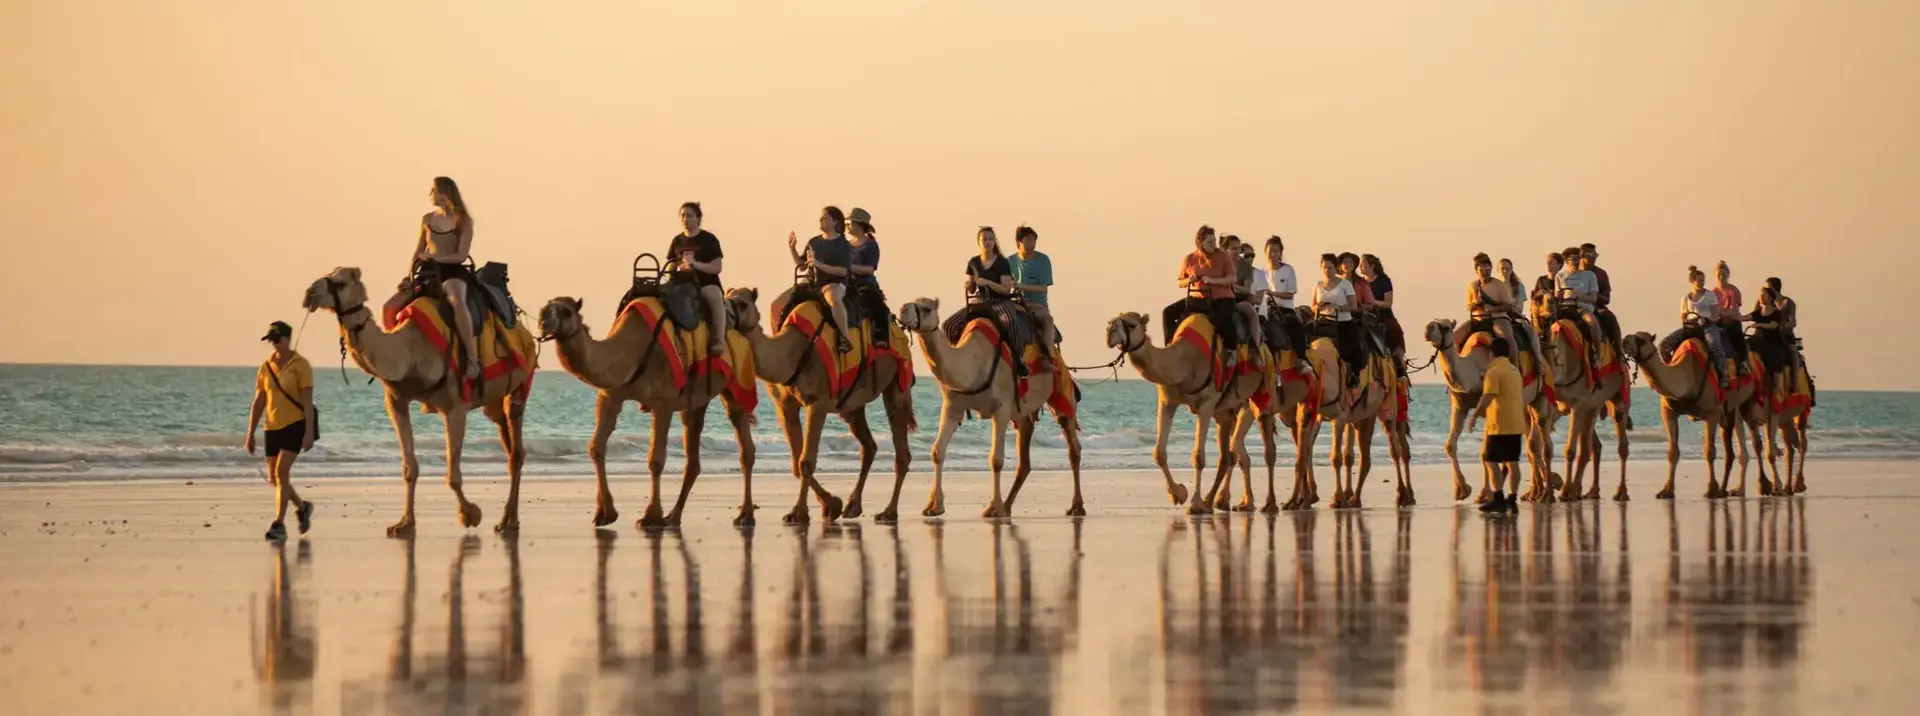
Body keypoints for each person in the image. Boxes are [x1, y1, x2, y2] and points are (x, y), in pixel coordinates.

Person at [246, 321, 317, 542]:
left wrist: (308, 431)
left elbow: (307, 401)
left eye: (277, 340)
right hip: (272, 426)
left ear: (288, 339)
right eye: (271, 341)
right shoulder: (265, 367)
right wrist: (250, 433)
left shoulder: (300, 365)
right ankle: (303, 506)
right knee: (275, 478)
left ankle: (279, 523)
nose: (274, 345)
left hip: (295, 425)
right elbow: (259, 401)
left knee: (281, 472)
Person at [408, 176, 480, 379]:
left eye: (433, 189)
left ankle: (472, 360)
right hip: (427, 271)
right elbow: (418, 251)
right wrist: (409, 275)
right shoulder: (427, 219)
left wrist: (437, 257)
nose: (429, 193)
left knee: (457, 302)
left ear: (443, 193)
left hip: (452, 271)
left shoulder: (463, 220)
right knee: (393, 306)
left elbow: (461, 255)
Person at [966, 226, 1044, 375]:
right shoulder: (973, 262)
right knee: (950, 325)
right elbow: (971, 289)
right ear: (978, 242)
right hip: (980, 302)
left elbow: (1005, 289)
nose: (987, 242)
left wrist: (988, 283)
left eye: (990, 239)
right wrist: (969, 285)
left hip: (1000, 301)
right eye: (984, 239)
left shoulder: (1002, 262)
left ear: (994, 242)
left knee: (1009, 321)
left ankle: (1018, 359)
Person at [1166, 226, 1242, 366]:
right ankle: (1170, 346)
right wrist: (1190, 280)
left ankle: (1231, 353)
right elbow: (1180, 282)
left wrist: (1213, 281)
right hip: (1197, 299)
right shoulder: (1190, 259)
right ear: (1201, 243)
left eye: (1214, 241)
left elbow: (1232, 278)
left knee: (1224, 322)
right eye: (1210, 242)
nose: (1214, 245)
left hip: (1221, 298)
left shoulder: (1223, 257)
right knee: (1169, 313)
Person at [787, 206, 854, 353]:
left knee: (833, 299)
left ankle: (845, 337)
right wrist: (792, 249)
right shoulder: (814, 242)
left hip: (835, 283)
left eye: (825, 218)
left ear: (835, 222)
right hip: (812, 284)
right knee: (780, 302)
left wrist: (819, 265)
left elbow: (842, 271)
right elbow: (802, 266)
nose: (820, 220)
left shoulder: (843, 244)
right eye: (821, 218)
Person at [1470, 338, 1524, 514]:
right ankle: (1512, 498)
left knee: (1489, 460)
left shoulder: (1494, 372)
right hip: (1516, 423)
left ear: (1491, 354)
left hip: (1499, 425)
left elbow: (1488, 397)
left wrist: (1475, 415)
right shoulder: (1514, 370)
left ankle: (1498, 498)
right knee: (1513, 462)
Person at [667, 201, 727, 356]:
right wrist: (671, 271)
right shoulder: (677, 241)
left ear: (698, 218)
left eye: (689, 215)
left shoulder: (708, 239)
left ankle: (718, 340)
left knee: (715, 297)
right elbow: (671, 265)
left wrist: (695, 265)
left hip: (705, 283)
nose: (685, 219)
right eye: (682, 216)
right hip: (683, 283)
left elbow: (717, 267)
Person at [1310, 252, 1363, 388]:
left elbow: (1353, 305)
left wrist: (1339, 308)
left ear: (1336, 268)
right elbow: (1312, 307)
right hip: (1323, 320)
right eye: (1324, 267)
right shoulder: (1317, 285)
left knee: (1352, 347)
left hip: (1342, 321)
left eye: (1330, 267)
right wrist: (1318, 306)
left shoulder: (1345, 284)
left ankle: (1353, 375)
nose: (1327, 270)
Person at [1257, 236, 1308, 366]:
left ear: (1280, 252)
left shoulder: (1288, 270)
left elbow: (1290, 294)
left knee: (1295, 326)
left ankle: (1301, 358)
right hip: (1265, 309)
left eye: (1275, 251)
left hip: (1284, 309)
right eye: (1270, 251)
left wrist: (1272, 293)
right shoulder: (1261, 272)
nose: (1272, 254)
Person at [1455, 253, 1519, 356]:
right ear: (1477, 271)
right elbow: (1468, 305)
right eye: (1482, 270)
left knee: (1508, 339)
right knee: (1454, 338)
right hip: (1476, 320)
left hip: (1496, 319)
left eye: (1488, 270)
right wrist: (1474, 305)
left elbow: (1508, 305)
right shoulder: (1473, 286)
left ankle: (1514, 367)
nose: (1485, 273)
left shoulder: (1498, 284)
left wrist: (1493, 308)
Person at [845, 207, 891, 347]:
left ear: (859, 225)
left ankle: (881, 337)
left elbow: (869, 269)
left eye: (850, 223)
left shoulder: (871, 246)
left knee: (878, 305)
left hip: (864, 283)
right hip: (846, 282)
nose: (847, 226)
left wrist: (849, 268)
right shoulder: (846, 245)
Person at [1682, 265, 1735, 388]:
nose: (1702, 283)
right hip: (1691, 327)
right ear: (1693, 281)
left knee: (1715, 345)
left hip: (1708, 326)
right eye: (1699, 280)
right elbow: (1682, 316)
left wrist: (1705, 319)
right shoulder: (1685, 299)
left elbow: (1715, 316)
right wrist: (1688, 319)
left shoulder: (1710, 295)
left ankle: (1723, 375)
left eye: (1703, 280)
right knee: (1666, 344)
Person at [1555, 247, 1605, 367]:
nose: (1576, 262)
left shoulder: (1589, 275)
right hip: (1564, 308)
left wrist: (1581, 296)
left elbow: (1593, 298)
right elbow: (1556, 296)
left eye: (1578, 259)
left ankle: (1597, 356)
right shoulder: (1560, 276)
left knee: (1593, 322)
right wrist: (1561, 295)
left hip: (1581, 307)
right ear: (1567, 261)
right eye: (1573, 259)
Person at [1007, 224, 1056, 347]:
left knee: (1048, 321)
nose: (1032, 243)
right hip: (1014, 303)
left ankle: (1049, 356)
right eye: (1028, 240)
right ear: (1019, 243)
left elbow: (1043, 288)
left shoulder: (1043, 260)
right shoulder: (1009, 261)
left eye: (1034, 240)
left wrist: (1020, 286)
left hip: (1036, 305)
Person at [1359, 254, 1406, 377]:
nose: (1360, 267)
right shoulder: (1359, 282)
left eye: (1362, 264)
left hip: (1382, 314)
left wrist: (1373, 302)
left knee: (1393, 329)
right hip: (1363, 314)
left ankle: (1398, 361)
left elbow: (1388, 303)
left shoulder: (1384, 280)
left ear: (1372, 265)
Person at [1223, 236, 1264, 365]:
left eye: (1238, 248)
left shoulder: (1244, 266)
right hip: (1221, 298)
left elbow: (1246, 289)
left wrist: (1229, 284)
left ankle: (1256, 350)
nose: (1237, 251)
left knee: (1251, 313)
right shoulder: (1219, 263)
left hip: (1239, 300)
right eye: (1233, 248)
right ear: (1226, 250)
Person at [1713, 261, 1752, 377]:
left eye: (1723, 275)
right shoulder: (1712, 293)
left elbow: (1734, 311)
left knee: (1736, 334)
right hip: (1718, 321)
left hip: (1732, 321)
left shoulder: (1733, 291)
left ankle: (1742, 363)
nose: (1721, 277)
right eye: (1719, 274)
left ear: (1727, 275)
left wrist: (1720, 312)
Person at [1580, 243, 1621, 346]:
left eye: (1594, 255)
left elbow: (1607, 299)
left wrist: (1592, 296)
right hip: (1575, 306)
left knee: (1609, 317)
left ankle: (1618, 350)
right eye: (1589, 255)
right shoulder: (1571, 273)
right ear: (1581, 256)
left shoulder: (1601, 274)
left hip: (1596, 307)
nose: (1593, 258)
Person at [1530, 251, 1566, 335]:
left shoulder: (1563, 279)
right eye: (1547, 262)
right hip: (1542, 311)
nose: (1548, 264)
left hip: (1558, 308)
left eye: (1551, 262)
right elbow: (1535, 298)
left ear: (1559, 264)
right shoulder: (1541, 280)